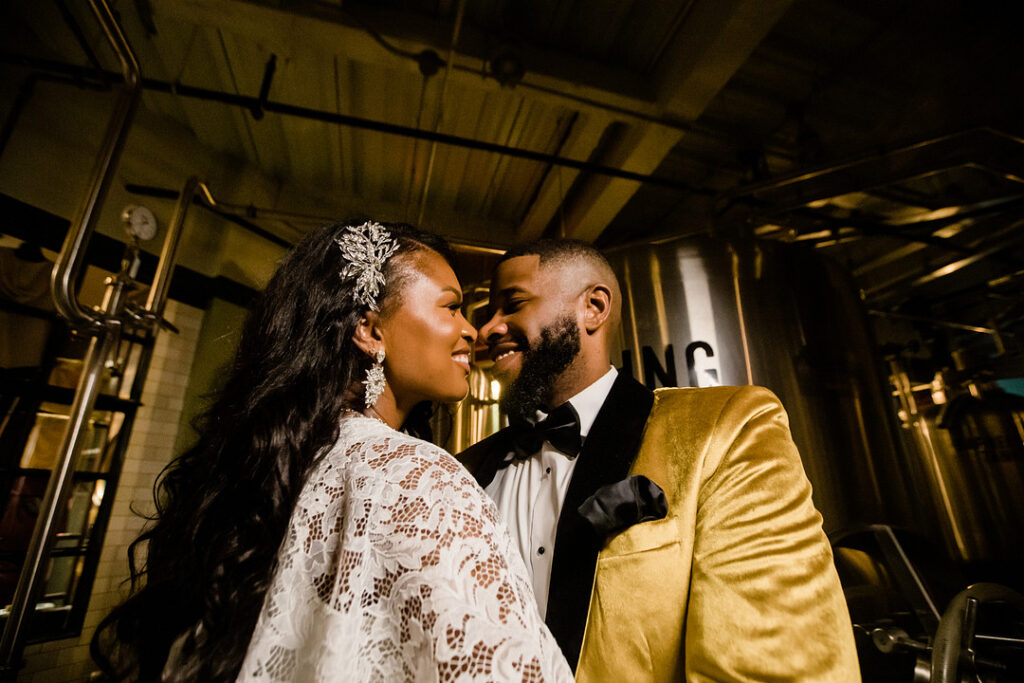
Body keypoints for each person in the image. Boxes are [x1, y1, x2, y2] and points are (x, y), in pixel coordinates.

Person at [91, 221, 573, 682]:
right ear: (369, 330)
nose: (472, 330)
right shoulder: (423, 479)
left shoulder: (273, 465)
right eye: (452, 308)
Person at [459, 238, 861, 682]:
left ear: (593, 307)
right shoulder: (458, 470)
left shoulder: (727, 429)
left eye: (512, 305)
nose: (486, 329)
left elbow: (780, 663)